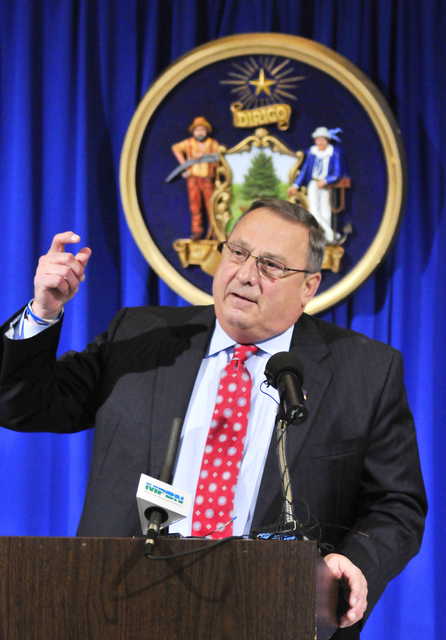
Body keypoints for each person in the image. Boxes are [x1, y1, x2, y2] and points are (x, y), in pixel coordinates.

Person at [0, 198, 426, 638]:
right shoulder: (142, 337)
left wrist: (356, 561)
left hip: (276, 612)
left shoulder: (365, 371)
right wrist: (43, 312)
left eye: (271, 266)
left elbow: (396, 504)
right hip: (122, 606)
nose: (245, 274)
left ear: (309, 286)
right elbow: (23, 404)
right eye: (237, 253)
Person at [288, 126, 344, 243]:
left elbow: (337, 172)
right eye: (317, 139)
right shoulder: (312, 152)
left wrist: (327, 180)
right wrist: (296, 185)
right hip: (313, 183)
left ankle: (327, 238)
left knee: (326, 211)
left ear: (327, 140)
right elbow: (304, 171)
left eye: (321, 139)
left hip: (325, 185)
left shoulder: (333, 153)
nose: (318, 142)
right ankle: (332, 234)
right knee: (314, 211)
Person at [171, 116, 220, 239]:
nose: (200, 132)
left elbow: (219, 156)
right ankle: (197, 231)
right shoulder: (189, 143)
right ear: (193, 131)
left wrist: (214, 167)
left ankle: (214, 231)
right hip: (193, 179)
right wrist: (184, 166)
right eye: (197, 130)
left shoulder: (212, 144)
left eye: (202, 130)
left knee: (211, 206)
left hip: (208, 179)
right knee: (195, 206)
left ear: (206, 131)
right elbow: (175, 148)